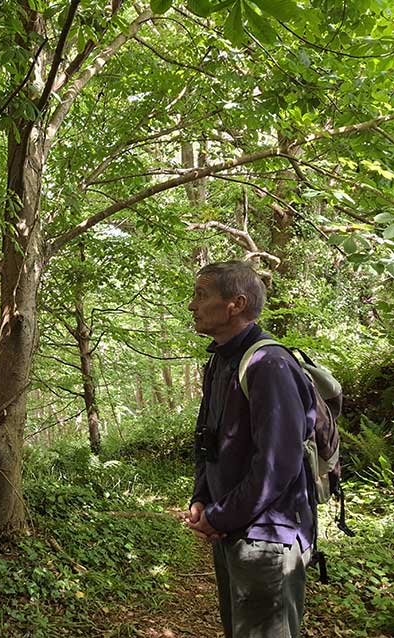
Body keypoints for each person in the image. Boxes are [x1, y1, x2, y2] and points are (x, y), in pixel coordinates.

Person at [183, 261, 315, 638]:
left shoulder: (269, 363)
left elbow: (277, 464)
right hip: (233, 531)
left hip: (268, 537)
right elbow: (206, 439)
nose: (192, 306)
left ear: (236, 304)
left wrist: (219, 516)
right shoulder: (219, 360)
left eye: (201, 295)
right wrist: (202, 499)